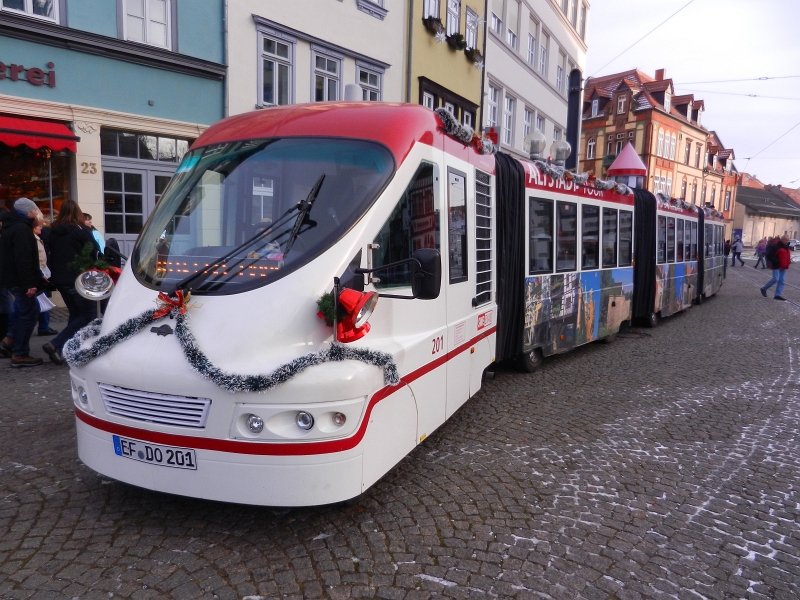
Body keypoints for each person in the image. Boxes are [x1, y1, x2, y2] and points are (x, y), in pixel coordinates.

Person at [43, 200, 101, 366]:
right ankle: (56, 343)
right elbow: (94, 251)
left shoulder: (53, 231)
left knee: (76, 314)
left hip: (61, 279)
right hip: (79, 277)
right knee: (88, 314)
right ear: (78, 212)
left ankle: (66, 348)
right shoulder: (81, 230)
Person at [0, 198, 46, 367]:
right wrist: (30, 283)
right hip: (20, 280)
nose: (37, 213)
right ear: (28, 212)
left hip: (14, 278)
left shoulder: (11, 226)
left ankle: (9, 340)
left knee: (23, 312)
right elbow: (23, 258)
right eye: (35, 210)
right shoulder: (21, 229)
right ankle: (20, 354)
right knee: (29, 314)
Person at [761, 235, 791, 301]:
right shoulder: (775, 246)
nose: (787, 241)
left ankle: (777, 295)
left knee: (781, 281)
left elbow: (787, 256)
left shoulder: (786, 247)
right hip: (776, 265)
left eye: (787, 240)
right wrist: (777, 261)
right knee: (775, 279)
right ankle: (764, 288)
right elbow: (769, 255)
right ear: (782, 239)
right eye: (786, 240)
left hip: (784, 266)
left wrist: (788, 262)